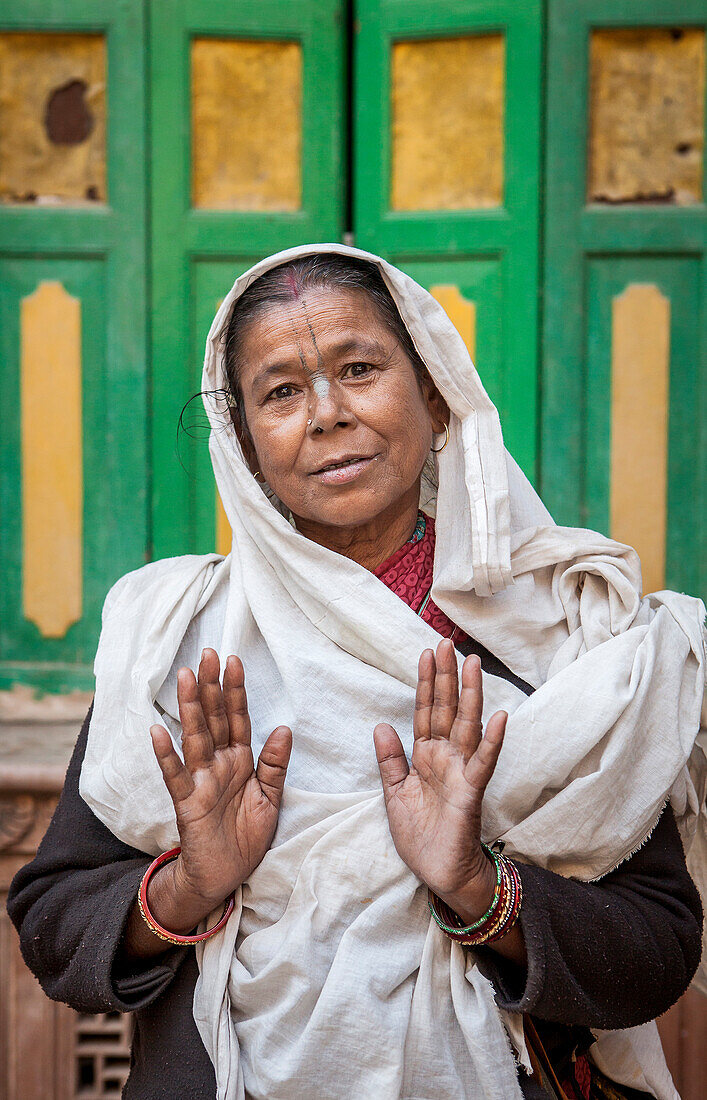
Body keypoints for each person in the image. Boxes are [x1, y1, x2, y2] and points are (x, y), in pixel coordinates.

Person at [8, 245, 706, 1100]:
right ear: (243, 439)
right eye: (282, 392)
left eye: (360, 368)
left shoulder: (564, 634)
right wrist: (191, 883)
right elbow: (52, 927)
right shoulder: (180, 638)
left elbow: (656, 953)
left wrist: (473, 885)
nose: (328, 414)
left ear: (437, 395)